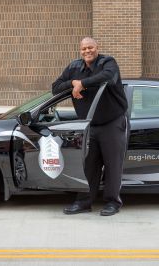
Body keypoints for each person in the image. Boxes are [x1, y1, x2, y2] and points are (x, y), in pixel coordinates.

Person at [52, 37, 128, 216]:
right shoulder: (74, 68)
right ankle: (84, 202)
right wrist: (72, 83)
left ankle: (112, 203)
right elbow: (55, 88)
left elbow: (107, 77)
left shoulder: (108, 62)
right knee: (88, 165)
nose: (87, 51)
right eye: (84, 49)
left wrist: (82, 84)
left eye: (91, 48)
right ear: (80, 50)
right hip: (89, 126)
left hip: (112, 123)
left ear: (97, 48)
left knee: (112, 165)